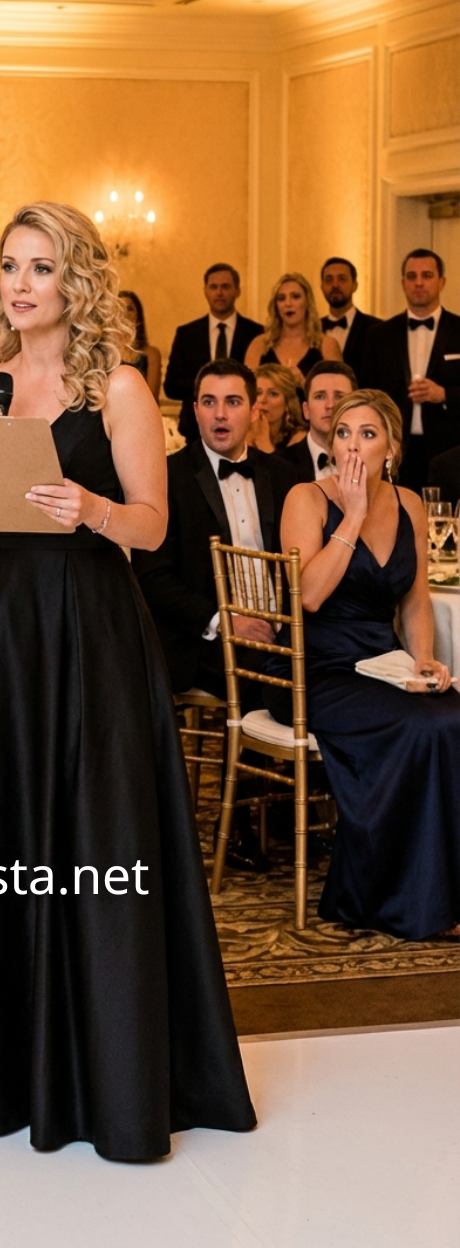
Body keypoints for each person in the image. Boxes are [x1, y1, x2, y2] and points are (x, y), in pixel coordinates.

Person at [0, 202, 255, 1164]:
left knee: (99, 829)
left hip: (90, 622)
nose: (19, 284)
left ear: (77, 280)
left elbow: (153, 527)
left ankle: (110, 1071)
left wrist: (90, 506)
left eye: (41, 267)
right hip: (5, 625)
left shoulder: (120, 386)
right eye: (10, 265)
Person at [264, 390, 460, 941]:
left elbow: (415, 599)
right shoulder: (306, 498)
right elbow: (308, 596)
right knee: (424, 726)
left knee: (451, 714)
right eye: (344, 432)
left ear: (391, 449)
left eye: (368, 434)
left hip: (383, 662)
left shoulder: (409, 504)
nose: (352, 445)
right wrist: (351, 517)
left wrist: (424, 659)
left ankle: (440, 888)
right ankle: (393, 897)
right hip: (314, 668)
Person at [132, 360, 295, 871]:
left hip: (279, 631)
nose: (220, 414)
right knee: (262, 674)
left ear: (254, 409)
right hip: (197, 638)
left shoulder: (284, 476)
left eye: (233, 402)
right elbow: (153, 578)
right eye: (209, 402)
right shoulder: (167, 477)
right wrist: (225, 622)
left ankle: (296, 800)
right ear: (194, 411)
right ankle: (242, 817)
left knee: (328, 668)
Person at [362, 249, 460, 494]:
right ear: (402, 282)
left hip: (450, 447)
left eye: (426, 275)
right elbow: (367, 392)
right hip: (394, 448)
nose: (418, 282)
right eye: (411, 276)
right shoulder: (379, 335)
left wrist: (445, 394)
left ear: (441, 281)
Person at [164, 263, 263, 443]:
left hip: (242, 431)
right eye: (213, 287)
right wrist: (206, 386)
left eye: (225, 287)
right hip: (193, 431)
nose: (219, 293)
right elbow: (171, 387)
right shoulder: (187, 333)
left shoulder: (256, 333)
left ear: (238, 290)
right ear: (205, 291)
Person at [245, 271, 342, 381]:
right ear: (276, 306)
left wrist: (304, 384)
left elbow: (340, 388)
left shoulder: (326, 345)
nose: (288, 304)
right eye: (281, 298)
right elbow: (247, 388)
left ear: (307, 302)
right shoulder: (259, 345)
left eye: (295, 297)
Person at [281, 359, 357, 483]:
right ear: (306, 410)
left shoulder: (372, 462)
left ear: (355, 407)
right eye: (320, 396)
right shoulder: (279, 465)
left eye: (339, 396)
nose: (330, 405)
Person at [319, 257, 380, 375]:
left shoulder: (376, 328)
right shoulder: (311, 330)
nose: (335, 285)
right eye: (329, 280)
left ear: (355, 285)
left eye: (342, 279)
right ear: (322, 287)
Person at [249, 363, 307, 454]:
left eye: (273, 394)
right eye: (258, 393)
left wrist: (263, 442)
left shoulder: (299, 439)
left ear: (287, 404)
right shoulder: (240, 431)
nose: (262, 400)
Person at [119, 289, 162, 400]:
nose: (124, 313)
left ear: (138, 314)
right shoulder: (106, 353)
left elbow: (152, 395)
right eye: (119, 308)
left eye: (129, 309)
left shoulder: (151, 354)